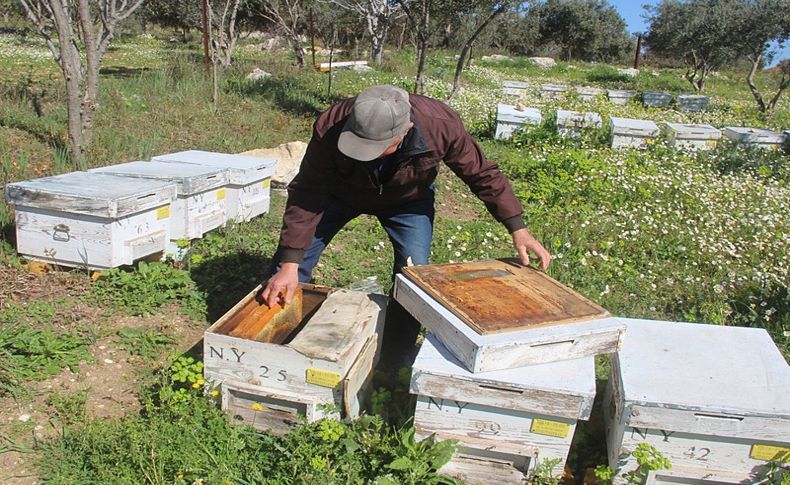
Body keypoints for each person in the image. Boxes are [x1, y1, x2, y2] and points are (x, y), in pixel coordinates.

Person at [262, 84, 551, 309]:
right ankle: (280, 335)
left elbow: (481, 173)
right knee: (288, 268)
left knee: (414, 274)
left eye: (377, 147)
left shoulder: (440, 125)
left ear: (405, 131)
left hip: (407, 201)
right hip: (340, 194)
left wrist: (518, 228)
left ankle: (397, 352)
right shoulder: (332, 123)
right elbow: (309, 189)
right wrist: (291, 263)